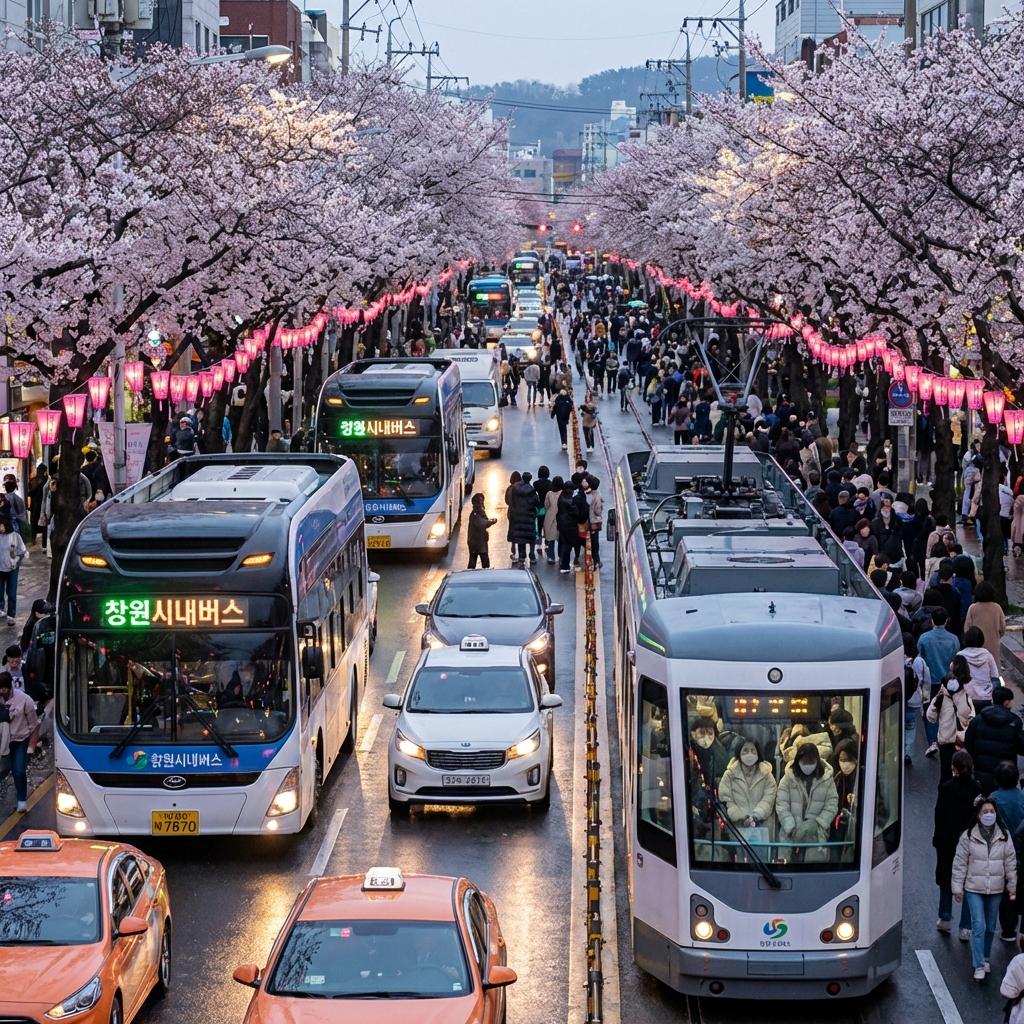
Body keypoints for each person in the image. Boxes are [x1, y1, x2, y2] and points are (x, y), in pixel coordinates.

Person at [952, 798, 1017, 980]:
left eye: (991, 811)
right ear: (978, 815)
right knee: (978, 925)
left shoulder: (1004, 835)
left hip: (996, 889)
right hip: (974, 888)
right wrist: (957, 889)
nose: (989, 815)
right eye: (985, 812)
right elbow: (959, 863)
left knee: (990, 926)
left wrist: (1012, 887)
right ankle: (978, 964)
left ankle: (986, 957)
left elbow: (1010, 863)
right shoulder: (968, 836)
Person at [935, 749, 983, 938]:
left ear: (953, 768)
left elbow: (939, 815)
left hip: (948, 840)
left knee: (947, 878)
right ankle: (965, 926)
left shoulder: (946, 788)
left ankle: (945, 917)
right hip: (971, 841)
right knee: (969, 882)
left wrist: (937, 838)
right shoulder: (977, 789)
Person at [776, 742, 838, 862]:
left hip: (816, 834)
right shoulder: (788, 779)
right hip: (790, 835)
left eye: (811, 762)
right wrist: (791, 827)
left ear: (817, 761)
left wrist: (818, 823)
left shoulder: (826, 779)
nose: (808, 765)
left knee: (812, 872)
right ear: (798, 760)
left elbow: (832, 803)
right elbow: (781, 804)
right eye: (804, 762)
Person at [965, 686, 1024, 794]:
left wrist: (977, 759)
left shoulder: (978, 720)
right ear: (1006, 702)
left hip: (981, 773)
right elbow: (1021, 747)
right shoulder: (1014, 722)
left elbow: (968, 743)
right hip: (1006, 775)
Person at [991, 761, 1024, 943]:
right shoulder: (1022, 797)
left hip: (1003, 852)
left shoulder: (994, 799)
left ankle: (1008, 929)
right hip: (1021, 851)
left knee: (1006, 890)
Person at [927, 658, 976, 782]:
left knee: (945, 776)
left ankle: (944, 800)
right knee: (963, 777)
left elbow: (930, 716)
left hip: (946, 740)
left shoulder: (942, 693)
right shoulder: (968, 692)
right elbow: (968, 715)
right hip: (961, 740)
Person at [717, 738, 778, 832]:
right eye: (745, 751)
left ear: (758, 753)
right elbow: (726, 799)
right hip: (737, 830)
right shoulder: (729, 775)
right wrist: (742, 817)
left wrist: (756, 816)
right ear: (739, 753)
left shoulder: (767, 775)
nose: (749, 754)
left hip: (762, 827)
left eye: (753, 751)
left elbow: (769, 798)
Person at [0, 671, 37, 812]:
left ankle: (21, 799)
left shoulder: (24, 700)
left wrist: (31, 746)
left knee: (19, 771)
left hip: (19, 741)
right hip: (3, 742)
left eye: (3, 689)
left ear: (9, 687)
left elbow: (34, 724)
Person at [964, 580, 1006, 674]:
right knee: (993, 673)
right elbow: (1003, 628)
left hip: (976, 648)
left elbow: (967, 628)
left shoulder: (972, 608)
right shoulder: (997, 608)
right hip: (993, 645)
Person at [960, 625, 1002, 711]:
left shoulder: (960, 656)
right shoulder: (987, 655)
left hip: (966, 698)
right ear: (981, 640)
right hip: (986, 697)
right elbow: (995, 677)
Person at [904, 632, 930, 765]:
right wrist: (925, 698)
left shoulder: (895, 658)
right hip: (914, 700)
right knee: (910, 726)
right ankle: (907, 752)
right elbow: (926, 680)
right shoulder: (919, 661)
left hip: (897, 700)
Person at [507, 472, 540, 567]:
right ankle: (532, 555)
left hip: (518, 516)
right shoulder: (532, 491)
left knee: (521, 537)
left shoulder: (515, 489)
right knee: (531, 537)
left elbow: (511, 502)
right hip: (529, 517)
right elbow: (537, 502)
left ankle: (522, 557)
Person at [0, 520, 27, 628]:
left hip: (12, 569)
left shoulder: (15, 536)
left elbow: (22, 551)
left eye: (1, 525)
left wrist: (15, 561)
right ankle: (1, 608)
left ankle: (11, 615)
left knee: (11, 593)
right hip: (0, 569)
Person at [556, 480, 587, 574]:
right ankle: (572, 562)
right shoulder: (570, 501)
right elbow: (577, 512)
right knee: (572, 545)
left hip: (562, 525)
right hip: (570, 526)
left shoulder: (562, 497)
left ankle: (564, 565)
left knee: (565, 545)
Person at [466, 493, 497, 570]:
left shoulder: (477, 512)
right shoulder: (477, 512)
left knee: (475, 559)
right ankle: (484, 575)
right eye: (480, 501)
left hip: (477, 541)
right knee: (482, 561)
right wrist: (490, 522)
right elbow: (481, 523)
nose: (482, 503)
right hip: (478, 542)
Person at [582, 475, 603, 570]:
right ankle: (596, 561)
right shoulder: (597, 496)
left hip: (585, 522)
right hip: (594, 523)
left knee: (586, 541)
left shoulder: (587, 494)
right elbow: (598, 511)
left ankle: (591, 560)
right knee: (595, 543)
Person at [542, 475, 563, 565]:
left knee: (551, 540)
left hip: (550, 518)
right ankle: (561, 557)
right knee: (561, 540)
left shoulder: (549, 494)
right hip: (561, 517)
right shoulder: (563, 493)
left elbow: (546, 505)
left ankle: (551, 557)